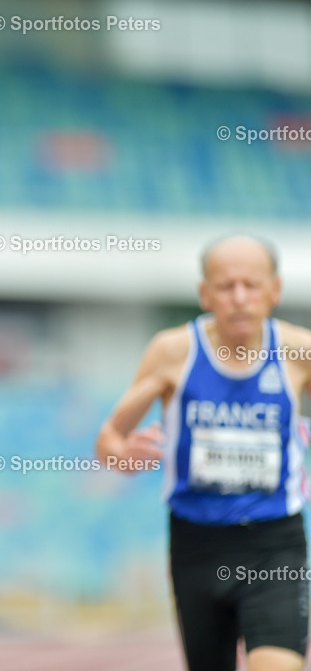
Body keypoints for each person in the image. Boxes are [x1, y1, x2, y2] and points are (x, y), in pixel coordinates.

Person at [95, 235, 311, 671]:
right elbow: (109, 440)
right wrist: (124, 456)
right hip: (196, 543)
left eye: (251, 285)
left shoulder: (298, 351)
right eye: (226, 286)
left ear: (275, 291)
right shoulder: (173, 351)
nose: (239, 299)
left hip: (274, 543)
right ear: (204, 293)